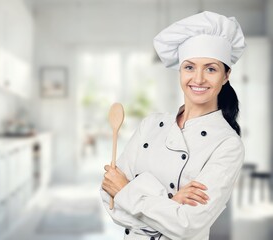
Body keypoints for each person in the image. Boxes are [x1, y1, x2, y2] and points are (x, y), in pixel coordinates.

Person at [101, 11, 246, 240]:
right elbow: (109, 200)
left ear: (226, 75)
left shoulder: (228, 144)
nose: (198, 79)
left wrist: (127, 191)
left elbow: (187, 225)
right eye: (189, 67)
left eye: (211, 69)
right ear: (180, 70)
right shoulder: (151, 125)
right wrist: (170, 203)